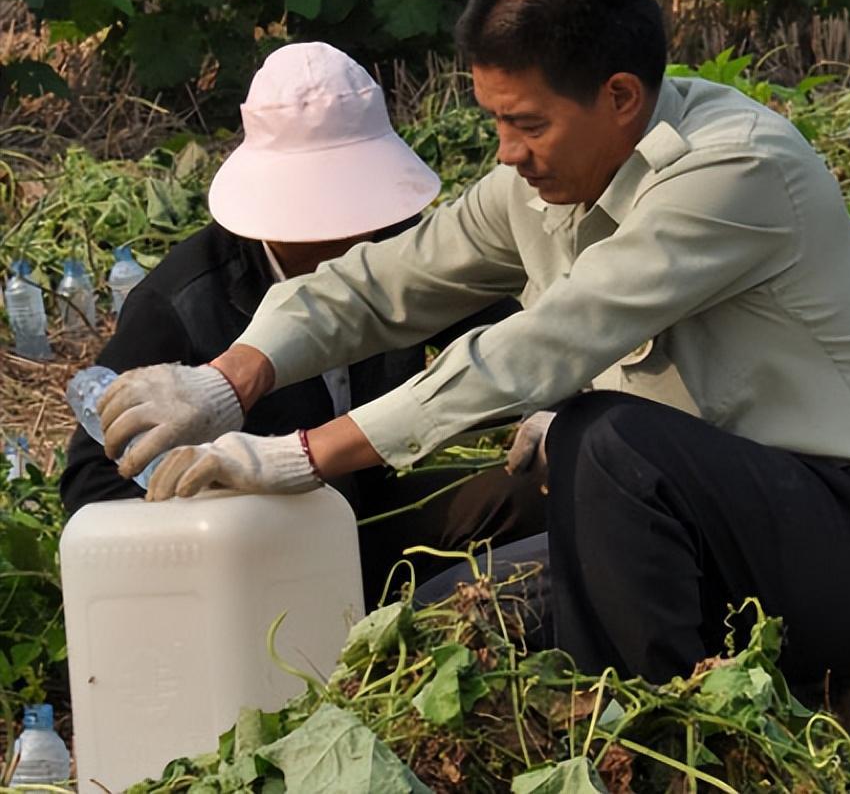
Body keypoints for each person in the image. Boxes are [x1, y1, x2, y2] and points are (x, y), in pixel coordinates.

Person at [96, 0, 850, 699]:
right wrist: (228, 379)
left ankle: (684, 735)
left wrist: (303, 453)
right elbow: (389, 278)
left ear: (621, 98)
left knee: (604, 439)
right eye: (496, 122)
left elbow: (548, 341)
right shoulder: (539, 185)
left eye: (528, 124)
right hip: (704, 532)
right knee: (426, 639)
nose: (506, 153)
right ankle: (614, 724)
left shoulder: (735, 171)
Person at [62, 42, 546, 607]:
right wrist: (229, 478)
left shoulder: (393, 243)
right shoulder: (182, 303)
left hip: (362, 511)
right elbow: (90, 486)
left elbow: (495, 334)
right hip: (258, 564)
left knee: (531, 493)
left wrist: (545, 402)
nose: (352, 236)